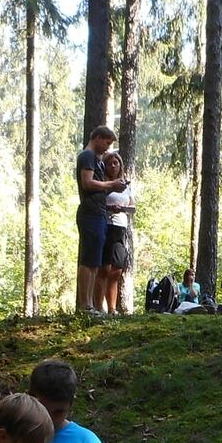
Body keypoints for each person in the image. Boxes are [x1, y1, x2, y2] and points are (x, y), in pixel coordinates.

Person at [76, 125, 129, 315]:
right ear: (97, 138)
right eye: (106, 143)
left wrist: (113, 188)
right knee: (88, 260)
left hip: (99, 213)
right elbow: (87, 183)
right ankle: (85, 305)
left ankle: (90, 305)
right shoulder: (87, 156)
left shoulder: (95, 159)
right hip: (90, 212)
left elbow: (98, 186)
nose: (107, 148)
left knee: (94, 262)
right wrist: (111, 184)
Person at [97, 151, 134, 315]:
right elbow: (97, 203)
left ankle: (112, 308)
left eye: (116, 163)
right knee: (104, 269)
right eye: (110, 163)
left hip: (121, 229)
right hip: (107, 226)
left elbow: (133, 207)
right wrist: (110, 208)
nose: (113, 165)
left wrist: (123, 208)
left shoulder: (125, 186)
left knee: (117, 270)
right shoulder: (102, 184)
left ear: (120, 165)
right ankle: (98, 307)